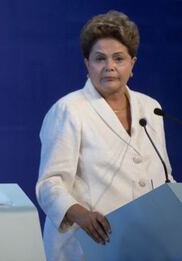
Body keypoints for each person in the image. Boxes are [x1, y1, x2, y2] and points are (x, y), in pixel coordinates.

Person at [36, 10, 175, 261]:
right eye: (100, 59)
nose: (109, 66)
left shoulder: (150, 108)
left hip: (144, 244)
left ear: (132, 64)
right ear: (87, 64)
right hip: (89, 245)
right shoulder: (69, 110)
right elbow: (49, 184)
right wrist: (80, 214)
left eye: (118, 58)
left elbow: (163, 177)